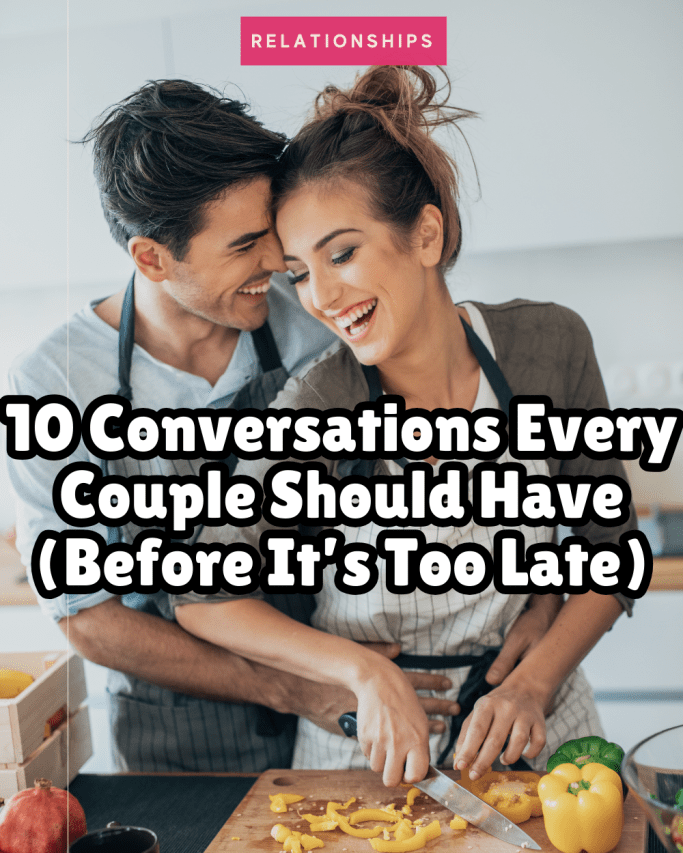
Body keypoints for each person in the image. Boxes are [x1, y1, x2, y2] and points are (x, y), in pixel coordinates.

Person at [173, 66, 637, 789]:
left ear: (424, 235)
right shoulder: (317, 403)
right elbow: (203, 597)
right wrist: (358, 672)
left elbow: (608, 549)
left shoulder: (546, 346)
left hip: (539, 734)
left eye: (343, 253)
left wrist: (534, 682)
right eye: (299, 271)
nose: (321, 297)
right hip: (368, 751)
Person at [8, 78, 468, 772]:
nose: (277, 264)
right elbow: (88, 617)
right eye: (246, 244)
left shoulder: (312, 315)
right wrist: (291, 686)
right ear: (152, 259)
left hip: (344, 712)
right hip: (182, 743)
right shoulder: (57, 384)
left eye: (273, 233)